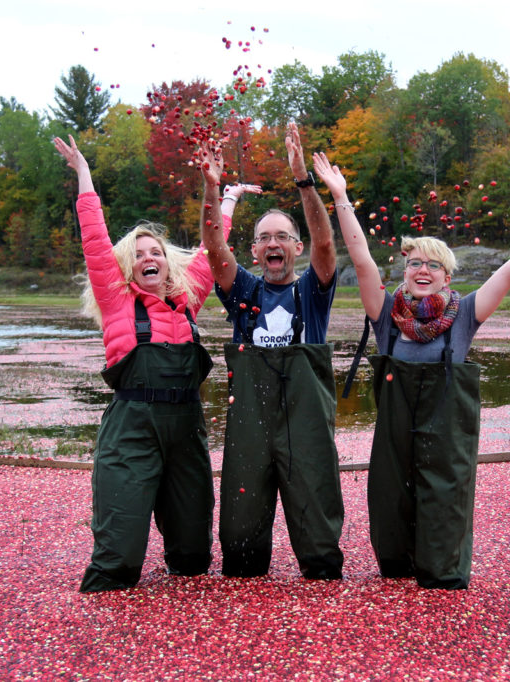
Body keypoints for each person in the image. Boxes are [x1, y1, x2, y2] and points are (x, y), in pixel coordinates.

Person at [313, 150, 510, 589]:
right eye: (415, 262)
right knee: (391, 512)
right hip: (395, 438)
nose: (422, 269)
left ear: (446, 278)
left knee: (444, 517)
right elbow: (360, 258)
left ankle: (442, 574)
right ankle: (398, 570)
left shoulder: (466, 314)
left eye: (433, 265)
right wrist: (340, 195)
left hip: (446, 438)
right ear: (405, 270)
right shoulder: (384, 315)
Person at [54, 135, 227, 592]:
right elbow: (94, 239)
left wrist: (222, 197)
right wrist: (84, 175)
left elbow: (215, 246)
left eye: (156, 253)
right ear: (128, 268)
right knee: (118, 563)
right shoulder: (116, 300)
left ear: (169, 266)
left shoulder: (190, 300)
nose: (149, 258)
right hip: (132, 427)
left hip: (186, 430)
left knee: (192, 559)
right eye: (139, 255)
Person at [197, 124, 344, 580]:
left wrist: (303, 178)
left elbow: (325, 242)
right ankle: (243, 578)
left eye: (282, 236)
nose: (273, 243)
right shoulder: (242, 289)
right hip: (251, 422)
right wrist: (212, 188)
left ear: (296, 247)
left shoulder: (312, 292)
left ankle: (321, 579)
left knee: (316, 514)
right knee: (241, 526)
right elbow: (213, 248)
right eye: (264, 237)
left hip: (306, 422)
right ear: (256, 251)